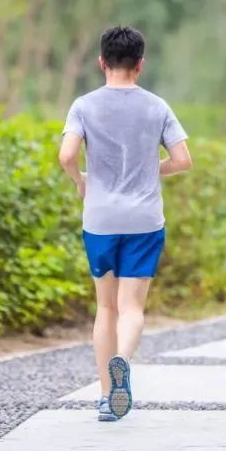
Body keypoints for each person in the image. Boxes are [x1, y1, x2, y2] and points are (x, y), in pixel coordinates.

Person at [58, 26, 192, 422]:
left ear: (102, 62)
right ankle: (122, 361)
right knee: (132, 307)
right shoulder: (157, 107)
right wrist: (154, 169)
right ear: (140, 65)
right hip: (144, 220)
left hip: (100, 220)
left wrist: (81, 181)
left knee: (105, 307)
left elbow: (66, 155)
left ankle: (104, 395)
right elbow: (184, 160)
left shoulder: (83, 105)